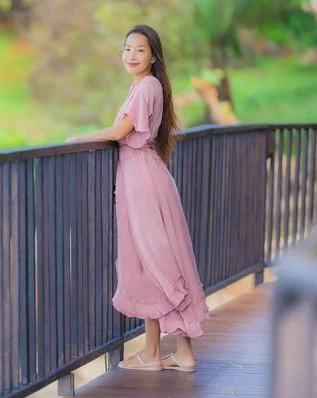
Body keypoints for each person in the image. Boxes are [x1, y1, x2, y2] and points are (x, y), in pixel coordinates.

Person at [65, 24, 210, 372]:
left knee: (158, 259)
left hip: (142, 179)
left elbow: (119, 133)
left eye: (140, 50)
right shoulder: (144, 86)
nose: (131, 55)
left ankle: (156, 353)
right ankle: (165, 352)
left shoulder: (147, 86)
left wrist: (79, 137)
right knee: (156, 258)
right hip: (142, 176)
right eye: (127, 48)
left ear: (154, 56)